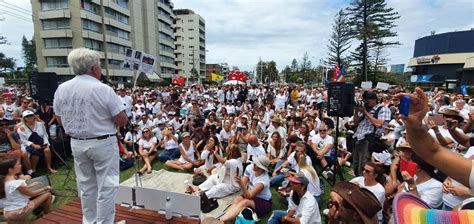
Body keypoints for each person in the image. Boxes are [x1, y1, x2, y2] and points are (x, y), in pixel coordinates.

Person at [53, 48, 128, 223]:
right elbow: (122, 120)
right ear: (94, 68)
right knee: (106, 187)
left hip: (77, 143)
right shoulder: (103, 89)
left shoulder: (61, 89)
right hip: (103, 143)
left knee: (86, 186)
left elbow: (59, 120)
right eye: (100, 66)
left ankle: (90, 221)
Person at [396, 88, 473, 191]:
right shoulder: (451, 130)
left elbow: (435, 150)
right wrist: (413, 124)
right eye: (445, 116)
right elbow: (432, 151)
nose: (447, 118)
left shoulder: (455, 130)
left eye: (450, 116)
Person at [219, 155, 272, 222]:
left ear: (262, 169)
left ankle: (220, 221)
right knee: (237, 199)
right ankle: (226, 218)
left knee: (245, 202)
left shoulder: (263, 181)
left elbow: (248, 196)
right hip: (252, 195)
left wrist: (240, 184)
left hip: (264, 201)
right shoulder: (250, 167)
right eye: (254, 163)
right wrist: (240, 182)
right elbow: (243, 184)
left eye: (257, 165)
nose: (254, 165)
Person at [0, 158, 53, 223]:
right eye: (18, 164)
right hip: (20, 211)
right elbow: (31, 194)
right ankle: (46, 216)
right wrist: (45, 188)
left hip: (7, 212)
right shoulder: (17, 183)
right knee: (48, 195)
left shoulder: (3, 182)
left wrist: (30, 186)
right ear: (10, 170)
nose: (21, 165)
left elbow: (15, 191)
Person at [352, 92, 391, 176]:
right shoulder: (365, 108)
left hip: (369, 140)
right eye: (364, 100)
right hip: (358, 138)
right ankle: (358, 180)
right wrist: (356, 111)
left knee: (364, 164)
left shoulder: (383, 109)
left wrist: (365, 112)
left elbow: (378, 124)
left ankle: (364, 183)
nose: (366, 102)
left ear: (374, 100)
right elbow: (355, 123)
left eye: (368, 100)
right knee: (356, 164)